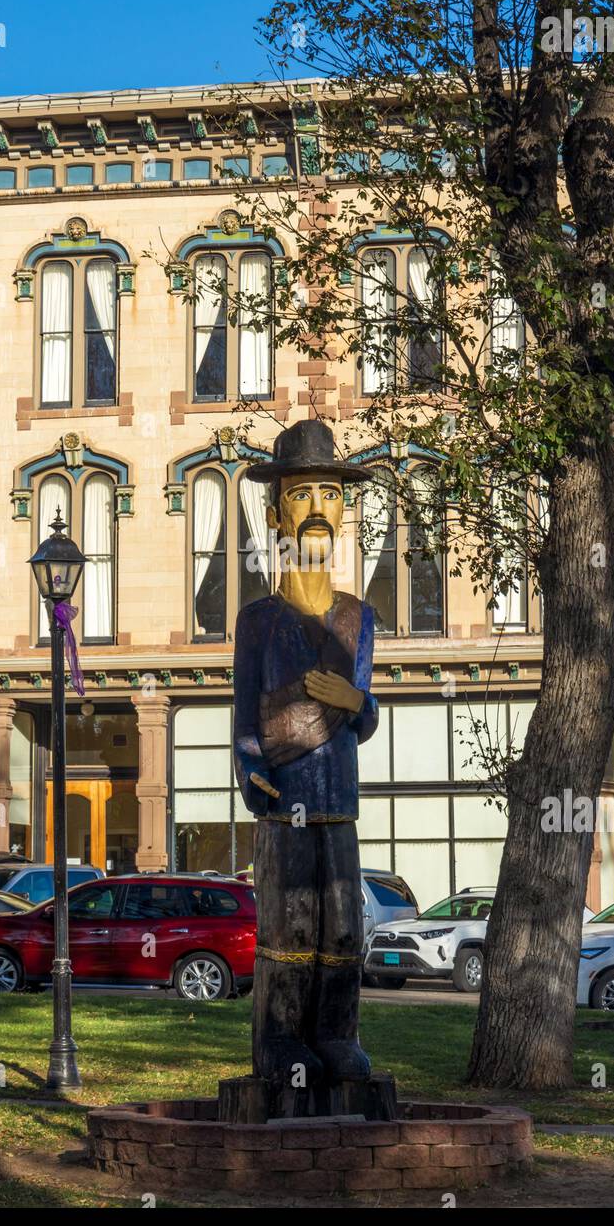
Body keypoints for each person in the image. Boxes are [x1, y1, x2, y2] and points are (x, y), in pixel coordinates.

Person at [233, 419, 379, 1087]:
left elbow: (365, 714)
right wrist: (251, 770)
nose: (317, 505)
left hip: (339, 804)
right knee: (290, 926)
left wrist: (354, 704)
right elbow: (244, 717)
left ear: (343, 507)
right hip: (285, 807)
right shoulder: (258, 620)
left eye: (327, 491)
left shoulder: (357, 617)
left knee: (343, 927)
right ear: (275, 511)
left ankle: (335, 1037)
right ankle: (281, 1041)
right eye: (300, 493)